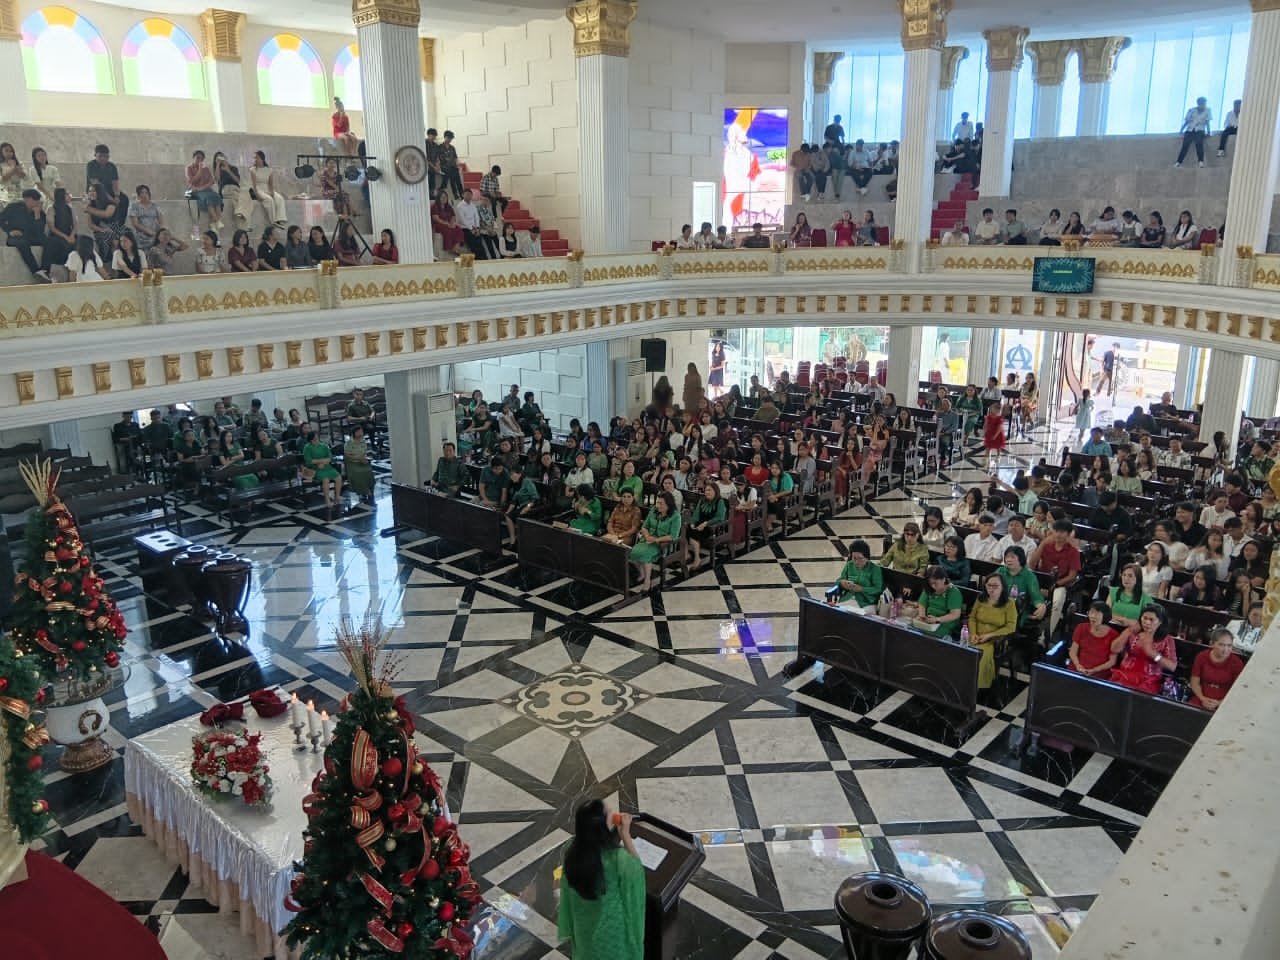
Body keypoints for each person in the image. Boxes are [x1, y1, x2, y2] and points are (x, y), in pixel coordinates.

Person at [558, 798, 646, 960]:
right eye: (609, 812)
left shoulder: (571, 853)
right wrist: (625, 835)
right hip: (613, 935)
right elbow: (637, 873)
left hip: (584, 931)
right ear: (601, 827)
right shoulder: (618, 859)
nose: (614, 812)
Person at [1110, 605, 1177, 694]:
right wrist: (1129, 631)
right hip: (1125, 674)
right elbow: (1114, 649)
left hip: (1149, 680)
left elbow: (1172, 666)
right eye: (1145, 618)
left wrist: (1153, 654)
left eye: (1151, 620)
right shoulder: (1132, 632)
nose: (1147, 622)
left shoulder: (1166, 639)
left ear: (1160, 622)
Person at [968, 573, 1017, 689]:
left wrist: (990, 635)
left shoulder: (1009, 603)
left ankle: (974, 687)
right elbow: (972, 618)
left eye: (995, 586)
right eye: (989, 585)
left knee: (979, 655)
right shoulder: (981, 598)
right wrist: (973, 634)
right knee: (962, 651)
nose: (991, 589)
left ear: (1003, 587)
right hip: (976, 635)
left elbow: (1011, 627)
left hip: (995, 639)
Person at [630, 491, 681, 591]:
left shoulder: (676, 516)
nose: (658, 505)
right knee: (633, 552)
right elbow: (644, 526)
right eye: (657, 502)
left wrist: (657, 540)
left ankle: (647, 580)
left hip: (663, 544)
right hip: (648, 539)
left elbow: (673, 536)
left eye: (661, 503)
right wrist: (647, 536)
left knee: (646, 555)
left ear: (669, 504)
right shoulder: (654, 510)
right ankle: (642, 573)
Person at [1188, 629, 1245, 712]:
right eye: (1221, 645)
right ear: (1212, 644)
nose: (1225, 649)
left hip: (1225, 702)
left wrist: (1219, 703)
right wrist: (1203, 699)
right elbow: (1194, 682)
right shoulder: (1201, 657)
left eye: (1229, 645)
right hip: (1200, 698)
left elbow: (1238, 690)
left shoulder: (1237, 663)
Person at [0, 188, 49, 282]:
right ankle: (36, 271)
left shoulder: (40, 212)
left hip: (32, 237)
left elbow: (40, 231)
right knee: (22, 242)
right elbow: (1, 220)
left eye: (38, 200)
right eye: (35, 200)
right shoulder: (13, 207)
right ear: (28, 199)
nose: (37, 203)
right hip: (16, 237)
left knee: (49, 242)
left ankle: (44, 270)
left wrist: (37, 215)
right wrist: (9, 231)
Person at [908, 566, 964, 638]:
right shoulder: (928, 588)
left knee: (930, 637)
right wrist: (922, 616)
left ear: (944, 579)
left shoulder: (953, 592)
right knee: (910, 630)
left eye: (935, 583)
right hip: (929, 619)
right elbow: (922, 603)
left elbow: (955, 614)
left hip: (945, 622)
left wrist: (937, 619)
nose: (933, 586)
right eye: (930, 583)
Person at [1068, 601, 1119, 676]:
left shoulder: (1114, 635)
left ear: (1105, 615)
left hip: (1099, 674)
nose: (1093, 616)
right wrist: (1078, 665)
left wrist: (1094, 670)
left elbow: (1112, 661)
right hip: (1077, 669)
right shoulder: (1081, 627)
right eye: (1091, 612)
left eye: (1097, 613)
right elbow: (1073, 651)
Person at [687, 481, 727, 568]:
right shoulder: (702, 500)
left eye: (709, 490)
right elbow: (696, 515)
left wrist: (706, 524)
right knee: (685, 529)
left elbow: (720, 517)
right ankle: (686, 554)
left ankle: (697, 558)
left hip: (712, 527)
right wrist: (692, 523)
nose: (707, 492)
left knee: (693, 534)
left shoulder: (720, 501)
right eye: (706, 490)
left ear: (715, 491)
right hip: (700, 524)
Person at [185, 150, 224, 229]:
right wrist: (200, 170)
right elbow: (192, 181)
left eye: (201, 159)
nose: (200, 160)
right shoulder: (188, 168)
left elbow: (211, 181)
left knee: (217, 196)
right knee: (207, 197)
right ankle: (217, 221)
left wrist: (204, 187)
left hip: (205, 189)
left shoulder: (206, 169)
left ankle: (216, 221)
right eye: (198, 158)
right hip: (194, 190)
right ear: (193, 158)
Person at [249, 151, 288, 225]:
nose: (255, 160)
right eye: (254, 158)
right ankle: (273, 221)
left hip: (267, 188)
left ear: (262, 158)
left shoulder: (269, 170)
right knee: (269, 200)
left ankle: (280, 219)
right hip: (258, 189)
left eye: (257, 158)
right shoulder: (252, 170)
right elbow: (254, 185)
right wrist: (257, 195)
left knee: (280, 198)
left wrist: (272, 193)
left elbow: (270, 184)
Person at [1175, 97, 1212, 167]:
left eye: (1204, 103)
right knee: (1185, 145)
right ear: (1198, 103)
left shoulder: (1208, 110)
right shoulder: (1191, 110)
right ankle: (1178, 162)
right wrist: (1181, 130)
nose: (1203, 105)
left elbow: (1207, 122)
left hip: (1200, 130)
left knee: (1199, 143)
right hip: (1190, 129)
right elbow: (1187, 121)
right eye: (1201, 103)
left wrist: (1209, 132)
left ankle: (1201, 161)